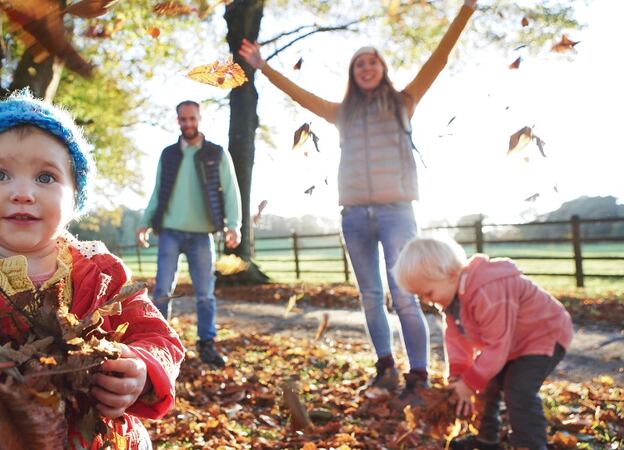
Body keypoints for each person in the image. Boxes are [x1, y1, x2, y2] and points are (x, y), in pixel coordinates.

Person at [0, 91, 185, 449]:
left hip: (95, 438)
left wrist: (141, 371)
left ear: (74, 197)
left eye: (45, 178)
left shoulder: (101, 272)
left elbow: (157, 336)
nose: (23, 192)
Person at [238, 0, 478, 401]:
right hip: (353, 217)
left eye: (373, 62)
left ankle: (418, 377)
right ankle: (385, 367)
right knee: (369, 296)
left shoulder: (404, 102)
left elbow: (439, 59)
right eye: (359, 64)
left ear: (382, 69)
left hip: (396, 213)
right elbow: (300, 95)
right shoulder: (341, 112)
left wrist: (466, 10)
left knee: (404, 294)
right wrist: (263, 67)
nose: (367, 68)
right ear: (353, 74)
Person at [393, 237, 573, 450]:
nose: (426, 301)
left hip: (543, 335)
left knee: (518, 390)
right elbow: (457, 341)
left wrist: (469, 384)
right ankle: (487, 438)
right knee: (487, 383)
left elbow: (497, 345)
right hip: (511, 342)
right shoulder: (452, 302)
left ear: (450, 274)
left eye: (428, 293)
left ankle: (530, 444)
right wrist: (459, 377)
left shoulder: (488, 290)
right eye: (420, 296)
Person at [137, 100, 242, 368]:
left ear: (199, 118)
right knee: (162, 290)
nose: (188, 124)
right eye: (183, 119)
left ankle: (207, 344)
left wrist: (234, 225)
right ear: (178, 121)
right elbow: (158, 190)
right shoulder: (169, 154)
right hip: (170, 231)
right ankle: (158, 343)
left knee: (205, 293)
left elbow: (231, 190)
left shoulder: (216, 153)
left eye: (192, 119)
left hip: (202, 234)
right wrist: (145, 222)